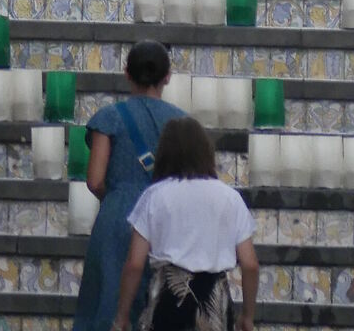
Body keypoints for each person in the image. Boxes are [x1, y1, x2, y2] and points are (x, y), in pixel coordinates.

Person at [73, 42, 185, 331]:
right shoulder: (182, 122)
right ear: (167, 76)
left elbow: (95, 179)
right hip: (166, 218)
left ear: (126, 73)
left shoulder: (109, 118)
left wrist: (119, 196)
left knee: (108, 299)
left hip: (118, 214)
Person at [110, 116, 258, 331]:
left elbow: (134, 263)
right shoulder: (230, 198)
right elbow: (250, 264)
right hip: (213, 302)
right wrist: (247, 316)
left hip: (168, 297)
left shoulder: (154, 195)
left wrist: (122, 316)